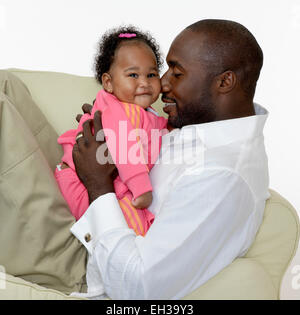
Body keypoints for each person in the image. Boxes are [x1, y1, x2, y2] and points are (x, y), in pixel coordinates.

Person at [70, 19, 270, 299]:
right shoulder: (206, 130)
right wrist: (115, 126)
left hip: (94, 280)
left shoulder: (220, 177)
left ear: (225, 81)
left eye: (176, 73)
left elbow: (138, 290)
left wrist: (98, 185)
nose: (161, 84)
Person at [55, 26, 168, 236]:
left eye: (151, 74)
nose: (144, 82)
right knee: (131, 229)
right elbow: (124, 145)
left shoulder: (144, 113)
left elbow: (160, 131)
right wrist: (141, 186)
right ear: (108, 82)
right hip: (79, 178)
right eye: (133, 75)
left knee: (133, 224)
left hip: (106, 180)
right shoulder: (120, 109)